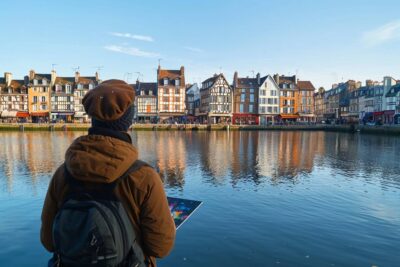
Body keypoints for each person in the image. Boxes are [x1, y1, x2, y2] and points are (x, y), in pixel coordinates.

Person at [40, 79, 176, 266]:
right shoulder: (144, 178)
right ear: (128, 122)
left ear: (92, 118)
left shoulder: (62, 174)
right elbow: (161, 247)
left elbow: (48, 241)